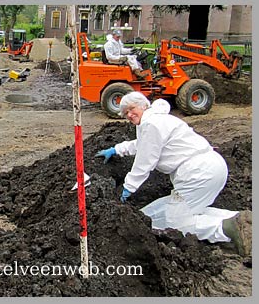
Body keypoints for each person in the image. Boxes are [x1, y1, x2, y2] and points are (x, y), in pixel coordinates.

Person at [94, 91, 249, 256]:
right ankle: (240, 219)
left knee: (176, 222)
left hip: (196, 172)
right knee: (194, 209)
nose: (130, 115)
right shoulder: (158, 120)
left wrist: (128, 187)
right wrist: (117, 149)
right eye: (125, 114)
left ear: (143, 105)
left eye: (131, 109)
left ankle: (225, 229)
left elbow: (146, 160)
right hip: (213, 166)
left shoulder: (151, 124)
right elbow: (142, 144)